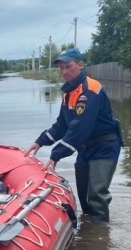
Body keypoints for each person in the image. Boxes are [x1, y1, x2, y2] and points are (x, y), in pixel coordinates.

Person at [25, 48, 123, 223]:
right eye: (61, 68)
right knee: (85, 197)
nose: (64, 71)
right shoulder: (69, 92)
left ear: (80, 64)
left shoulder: (90, 90)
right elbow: (62, 125)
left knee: (97, 195)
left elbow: (80, 128)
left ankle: (100, 240)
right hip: (85, 148)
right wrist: (40, 142)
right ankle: (88, 229)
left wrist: (56, 155)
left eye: (68, 66)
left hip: (104, 147)